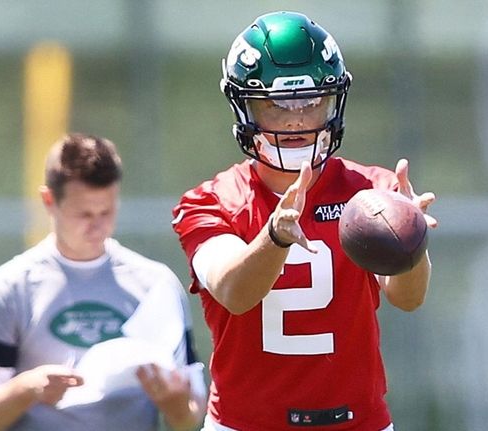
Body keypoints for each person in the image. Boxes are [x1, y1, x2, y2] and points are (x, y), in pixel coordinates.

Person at [172, 11, 437, 431]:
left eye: (312, 102)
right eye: (276, 105)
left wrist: (410, 242)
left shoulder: (372, 191)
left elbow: (408, 298)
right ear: (246, 108)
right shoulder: (212, 200)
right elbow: (233, 292)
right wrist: (275, 236)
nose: (295, 119)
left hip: (359, 423)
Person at [0, 133, 206, 431]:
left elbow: (191, 416)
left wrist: (176, 405)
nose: (97, 225)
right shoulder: (9, 289)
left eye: (107, 211)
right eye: (84, 213)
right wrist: (28, 390)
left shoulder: (156, 284)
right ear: (49, 201)